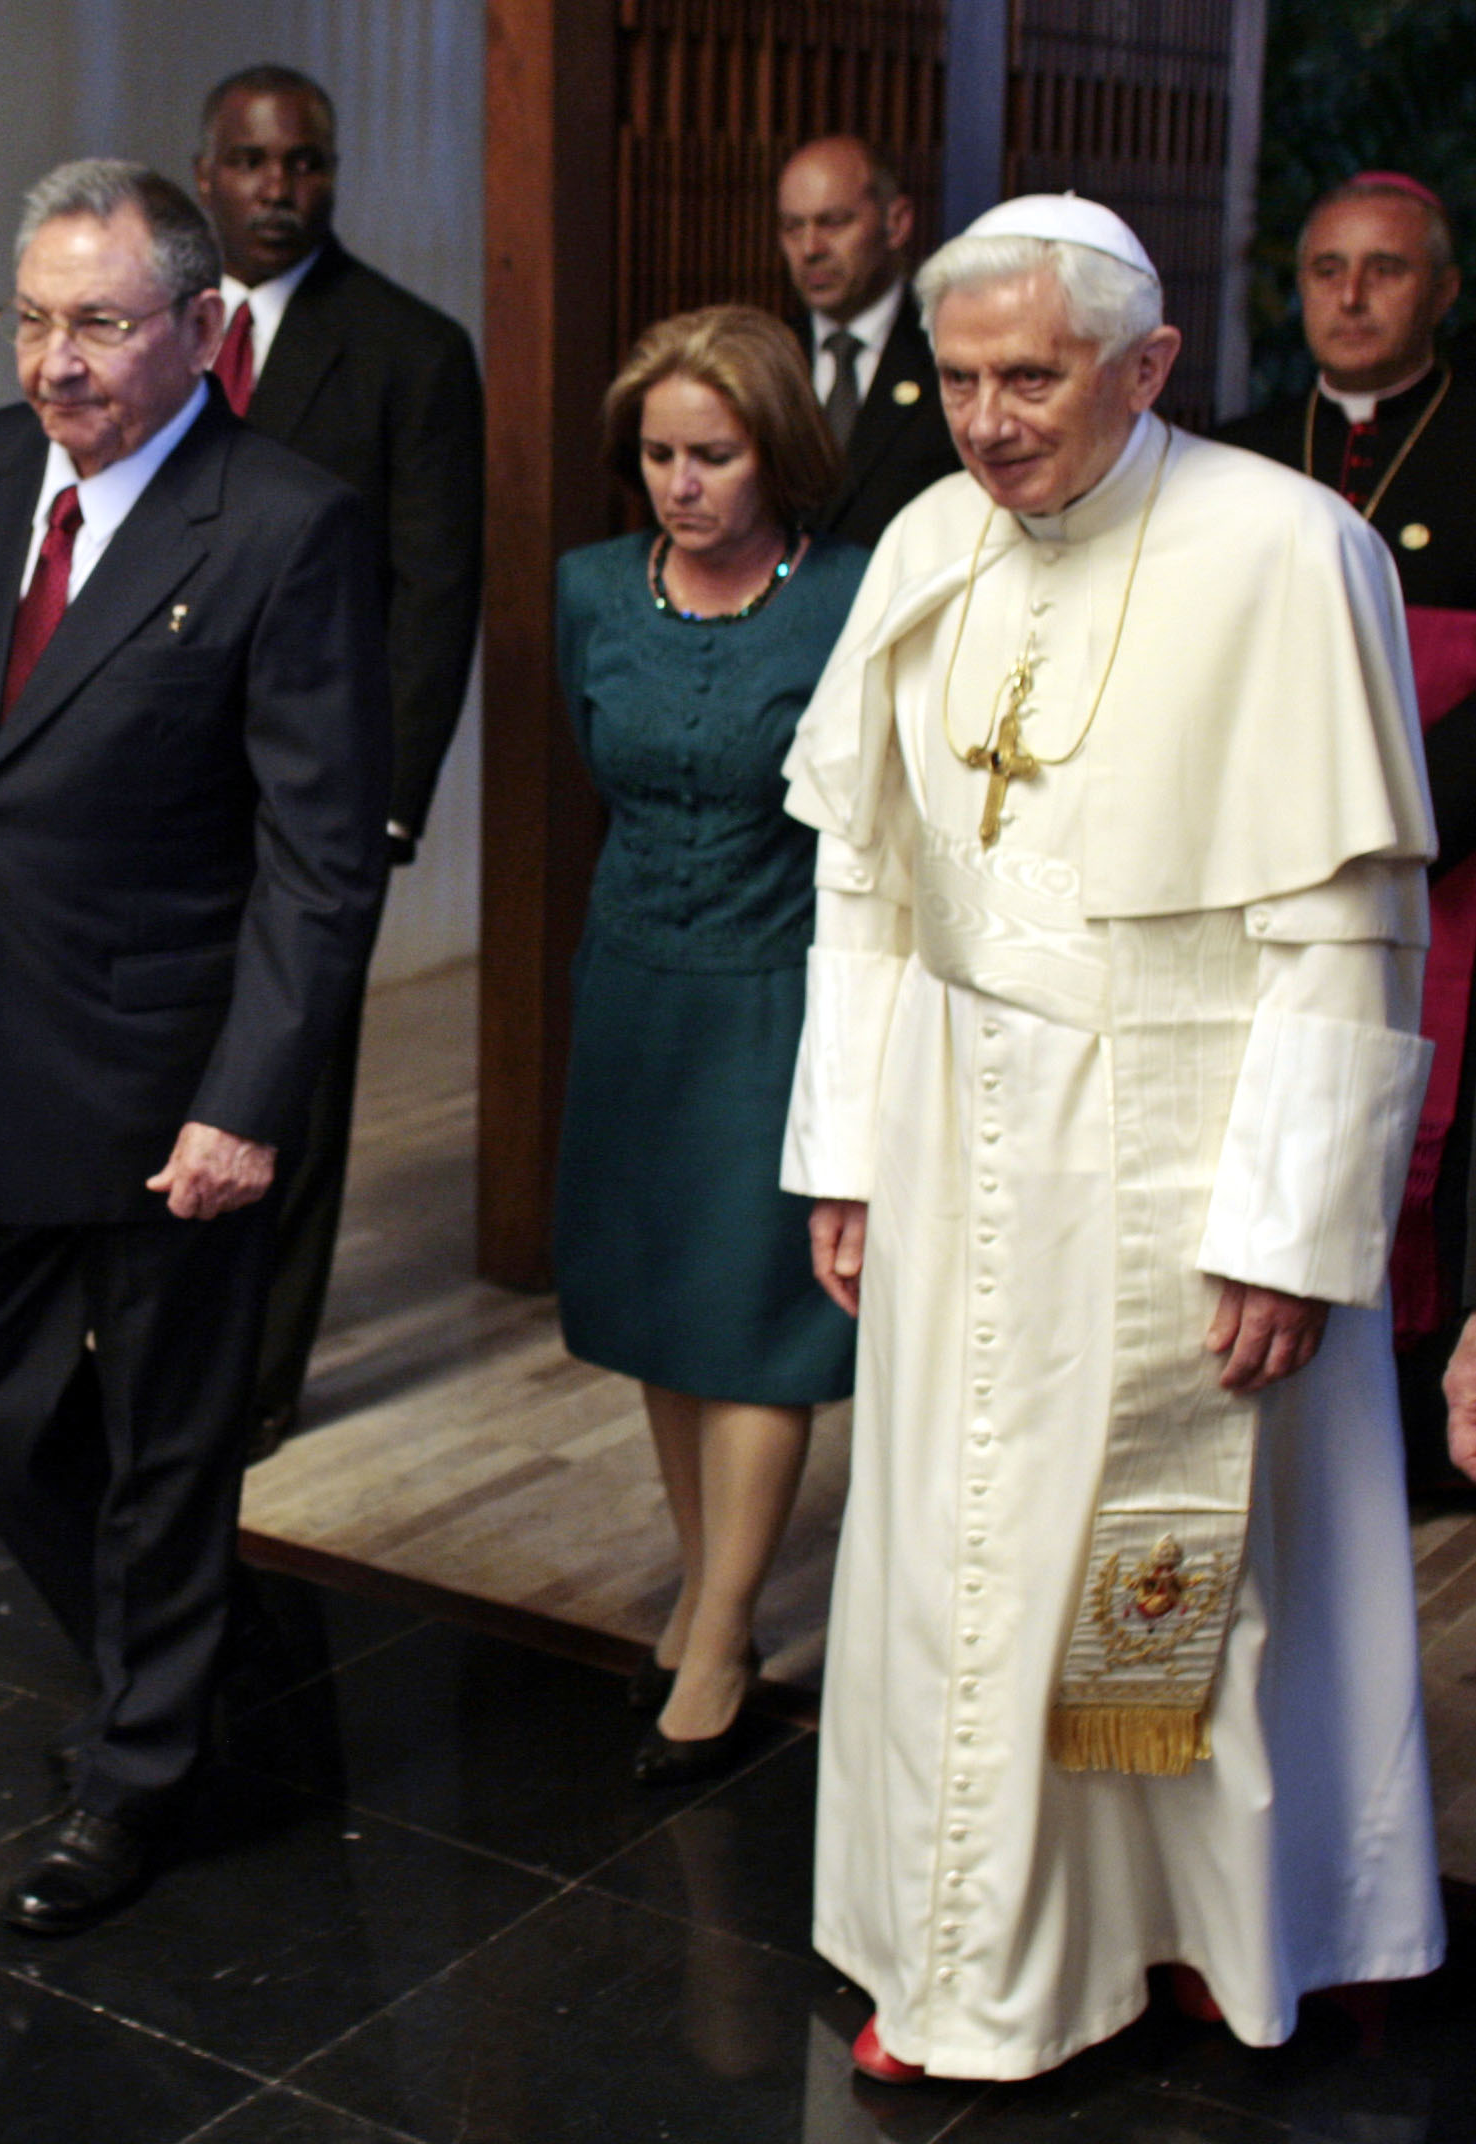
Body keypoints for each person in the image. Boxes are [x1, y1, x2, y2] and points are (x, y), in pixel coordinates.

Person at [780, 193, 1447, 2083]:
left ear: (1146, 365)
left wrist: (1290, 1225)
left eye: (1030, 379)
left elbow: (1346, 924)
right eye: (962, 378)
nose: (986, 421)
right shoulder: (927, 542)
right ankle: (982, 1960)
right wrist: (841, 1146)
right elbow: (865, 878)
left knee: (1163, 1571)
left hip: (1179, 1151)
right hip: (957, 1124)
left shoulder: (1285, 551)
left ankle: (1199, 1924)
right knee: (962, 1561)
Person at [0, 158, 389, 1937]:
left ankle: (141, 1770)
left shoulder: (284, 524)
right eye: (30, 321)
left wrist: (249, 1099)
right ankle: (187, 1644)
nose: (55, 362)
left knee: (166, 1439)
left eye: (97, 323)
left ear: (198, 327)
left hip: (168, 1076)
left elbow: (317, 858)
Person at [551, 306, 865, 1788]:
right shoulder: (592, 591)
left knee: (751, 1315)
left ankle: (729, 1626)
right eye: (661, 456)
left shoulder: (849, 599)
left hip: (776, 991)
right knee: (656, 1305)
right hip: (631, 985)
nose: (682, 485)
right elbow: (591, 759)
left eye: (715, 455)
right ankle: (700, 1580)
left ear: (777, 452)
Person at [191, 63, 486, 1456]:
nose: (278, 188)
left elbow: (435, 594)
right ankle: (155, 1333)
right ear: (207, 176)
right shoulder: (165, 336)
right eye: (252, 163)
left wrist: (389, 807)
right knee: (162, 1061)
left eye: (304, 163)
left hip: (319, 794)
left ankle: (256, 1378)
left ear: (333, 172)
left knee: (290, 1087)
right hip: (160, 782)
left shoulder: (409, 352)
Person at [1220, 175, 1476, 1494]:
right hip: (1257, 871)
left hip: (1449, 865)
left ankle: (1416, 1435)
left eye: (1383, 269)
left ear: (1440, 288)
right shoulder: (1234, 454)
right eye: (1325, 269)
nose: (1352, 294)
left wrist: (1396, 815)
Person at [775, 136, 964, 548]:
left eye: (834, 222)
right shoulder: (765, 356)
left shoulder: (951, 353)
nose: (810, 249)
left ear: (895, 223)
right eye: (793, 228)